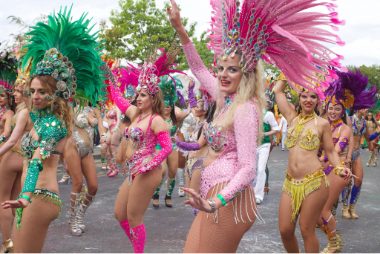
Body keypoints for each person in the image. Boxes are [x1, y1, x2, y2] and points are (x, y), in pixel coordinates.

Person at [0, 8, 104, 252]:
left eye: (42, 92)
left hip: (38, 196)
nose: (35, 96)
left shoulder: (54, 124)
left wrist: (25, 195)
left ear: (54, 94)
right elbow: (13, 138)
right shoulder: (33, 116)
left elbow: (37, 160)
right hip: (32, 197)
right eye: (33, 90)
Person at [111, 49, 174, 253]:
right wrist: (111, 77)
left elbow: (167, 147)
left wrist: (150, 163)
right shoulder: (135, 115)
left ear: (153, 98)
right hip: (134, 169)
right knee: (119, 213)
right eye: (138, 94)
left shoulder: (157, 120)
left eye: (143, 95)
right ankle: (138, 248)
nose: (138, 98)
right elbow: (118, 98)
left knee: (133, 216)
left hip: (149, 170)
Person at [0, 51, 19, 253]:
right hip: (10, 155)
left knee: (3, 200)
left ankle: (7, 243)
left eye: (3, 96)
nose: (0, 99)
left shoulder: (9, 113)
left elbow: (6, 135)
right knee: (10, 200)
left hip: (6, 155)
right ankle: (13, 238)